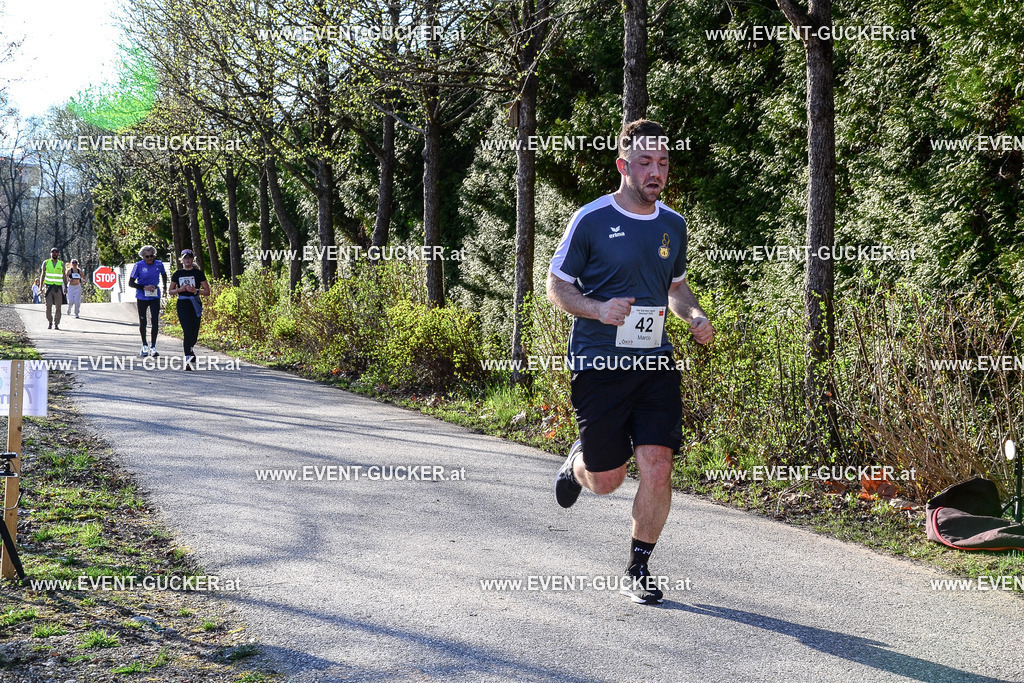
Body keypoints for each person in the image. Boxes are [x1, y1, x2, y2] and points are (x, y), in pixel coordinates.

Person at [547, 119, 714, 605]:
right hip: (600, 362)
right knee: (607, 479)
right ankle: (578, 464)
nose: (655, 171)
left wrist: (694, 314)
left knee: (658, 465)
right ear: (623, 166)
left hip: (656, 363)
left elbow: (676, 287)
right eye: (645, 162)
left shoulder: (674, 225)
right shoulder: (591, 219)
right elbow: (557, 285)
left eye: (662, 162)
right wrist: (598, 309)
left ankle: (639, 565)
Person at [168, 249, 210, 371]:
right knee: (187, 331)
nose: (187, 260)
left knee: (194, 333)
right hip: (182, 303)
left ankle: (190, 349)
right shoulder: (177, 274)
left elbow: (207, 291)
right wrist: (179, 290)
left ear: (192, 259)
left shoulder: (198, 274)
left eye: (189, 258)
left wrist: (196, 291)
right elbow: (170, 291)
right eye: (185, 258)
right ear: (181, 260)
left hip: (195, 303)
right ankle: (187, 359)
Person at [129, 245, 168, 357]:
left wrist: (164, 287)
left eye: (152, 256)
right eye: (147, 257)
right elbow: (131, 283)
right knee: (143, 321)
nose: (150, 259)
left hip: (155, 296)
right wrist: (144, 287)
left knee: (155, 320)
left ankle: (153, 346)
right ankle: (144, 345)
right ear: (143, 257)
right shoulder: (139, 266)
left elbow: (164, 275)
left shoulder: (159, 264)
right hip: (142, 297)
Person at [38, 248, 67, 330]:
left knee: (58, 307)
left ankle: (56, 323)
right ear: (50, 254)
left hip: (58, 288)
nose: (54, 254)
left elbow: (64, 276)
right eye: (53, 252)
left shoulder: (61, 264)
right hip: (48, 288)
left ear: (58, 254)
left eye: (56, 252)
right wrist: (41, 287)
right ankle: (50, 321)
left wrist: (66, 287)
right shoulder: (46, 262)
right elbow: (42, 275)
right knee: (48, 306)